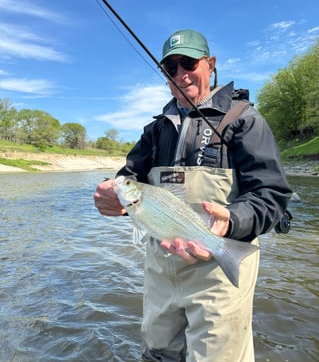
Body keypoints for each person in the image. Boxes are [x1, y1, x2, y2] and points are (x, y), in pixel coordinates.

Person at [94, 29, 292, 362]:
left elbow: (272, 194)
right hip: (161, 269)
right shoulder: (155, 130)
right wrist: (111, 197)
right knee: (158, 353)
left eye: (188, 62)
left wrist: (231, 223)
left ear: (210, 65)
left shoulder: (243, 120)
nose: (181, 74)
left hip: (219, 271)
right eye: (170, 67)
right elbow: (128, 179)